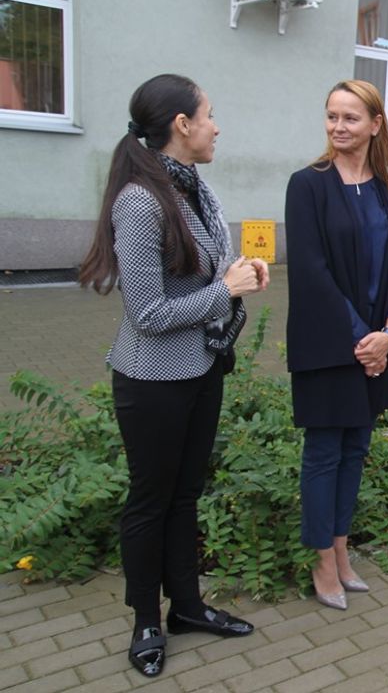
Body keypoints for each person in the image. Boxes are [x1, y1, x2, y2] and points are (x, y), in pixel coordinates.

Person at [78, 74, 267, 678]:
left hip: (202, 366)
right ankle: (145, 623)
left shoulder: (192, 187)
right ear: (182, 126)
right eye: (209, 115)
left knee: (185, 497)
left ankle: (186, 607)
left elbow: (205, 271)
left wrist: (236, 271)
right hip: (153, 379)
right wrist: (223, 289)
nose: (217, 126)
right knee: (150, 502)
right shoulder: (139, 199)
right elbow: (149, 314)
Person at [285, 79, 388, 610]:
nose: (339, 127)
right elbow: (311, 272)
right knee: (323, 452)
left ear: (375, 125)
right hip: (329, 344)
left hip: (376, 345)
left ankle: (342, 551)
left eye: (350, 118)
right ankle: (321, 561)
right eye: (331, 116)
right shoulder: (307, 184)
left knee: (355, 451)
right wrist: (361, 337)